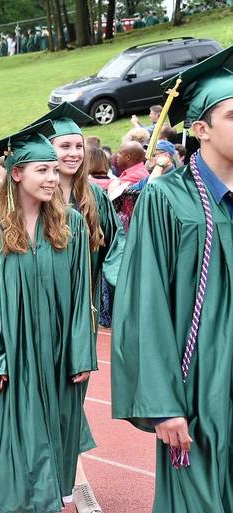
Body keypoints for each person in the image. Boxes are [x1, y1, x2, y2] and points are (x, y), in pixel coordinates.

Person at [111, 45, 233, 513]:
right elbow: (145, 304)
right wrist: (163, 403)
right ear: (199, 129)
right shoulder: (166, 201)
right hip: (196, 387)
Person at [0, 121, 96, 513]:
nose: (53, 177)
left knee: (55, 439)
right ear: (16, 173)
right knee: (12, 442)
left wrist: (81, 353)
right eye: (43, 170)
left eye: (55, 169)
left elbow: (78, 295)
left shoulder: (69, 226)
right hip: (10, 358)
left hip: (58, 356)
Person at [28, 102, 126, 513]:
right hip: (33, 317)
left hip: (78, 316)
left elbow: (117, 252)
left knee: (72, 401)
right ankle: (68, 480)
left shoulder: (95, 202)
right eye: (62, 146)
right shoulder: (29, 200)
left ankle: (71, 477)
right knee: (38, 402)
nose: (70, 153)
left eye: (77, 145)